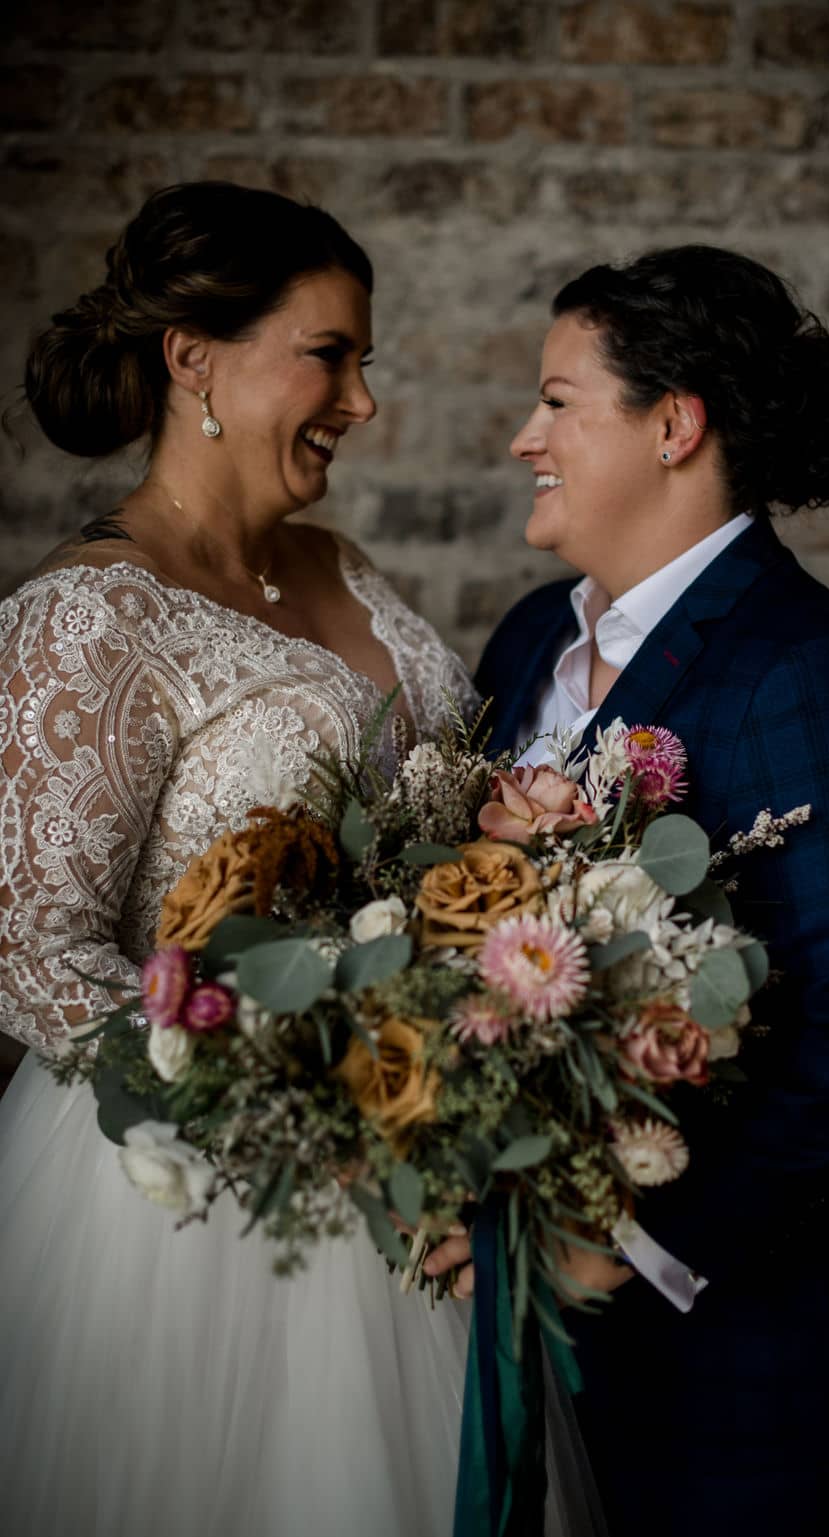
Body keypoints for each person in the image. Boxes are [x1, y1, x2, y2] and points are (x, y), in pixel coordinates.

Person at [0, 182, 589, 1537]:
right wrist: (292, 1117)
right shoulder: (89, 617)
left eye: (362, 362)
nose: (363, 402)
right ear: (191, 357)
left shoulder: (342, 561)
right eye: (330, 355)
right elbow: (33, 945)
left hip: (423, 1150)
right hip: (209, 1204)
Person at [430, 245, 829, 1534]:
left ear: (674, 426)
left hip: (766, 1364)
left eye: (559, 402)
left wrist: (624, 1242)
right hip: (542, 1344)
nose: (525, 437)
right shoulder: (527, 643)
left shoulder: (820, 679)